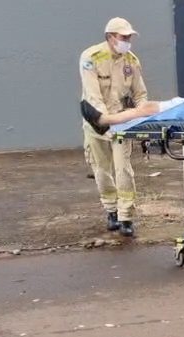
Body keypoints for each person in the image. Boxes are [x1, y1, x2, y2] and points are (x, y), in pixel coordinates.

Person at [79, 17, 148, 237]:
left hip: (121, 122)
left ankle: (126, 216)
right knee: (101, 169)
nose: (128, 41)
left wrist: (142, 116)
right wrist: (106, 122)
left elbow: (140, 93)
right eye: (123, 37)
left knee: (123, 169)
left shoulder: (131, 61)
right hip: (96, 122)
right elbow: (93, 96)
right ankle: (111, 211)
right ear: (110, 37)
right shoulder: (91, 57)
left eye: (129, 37)